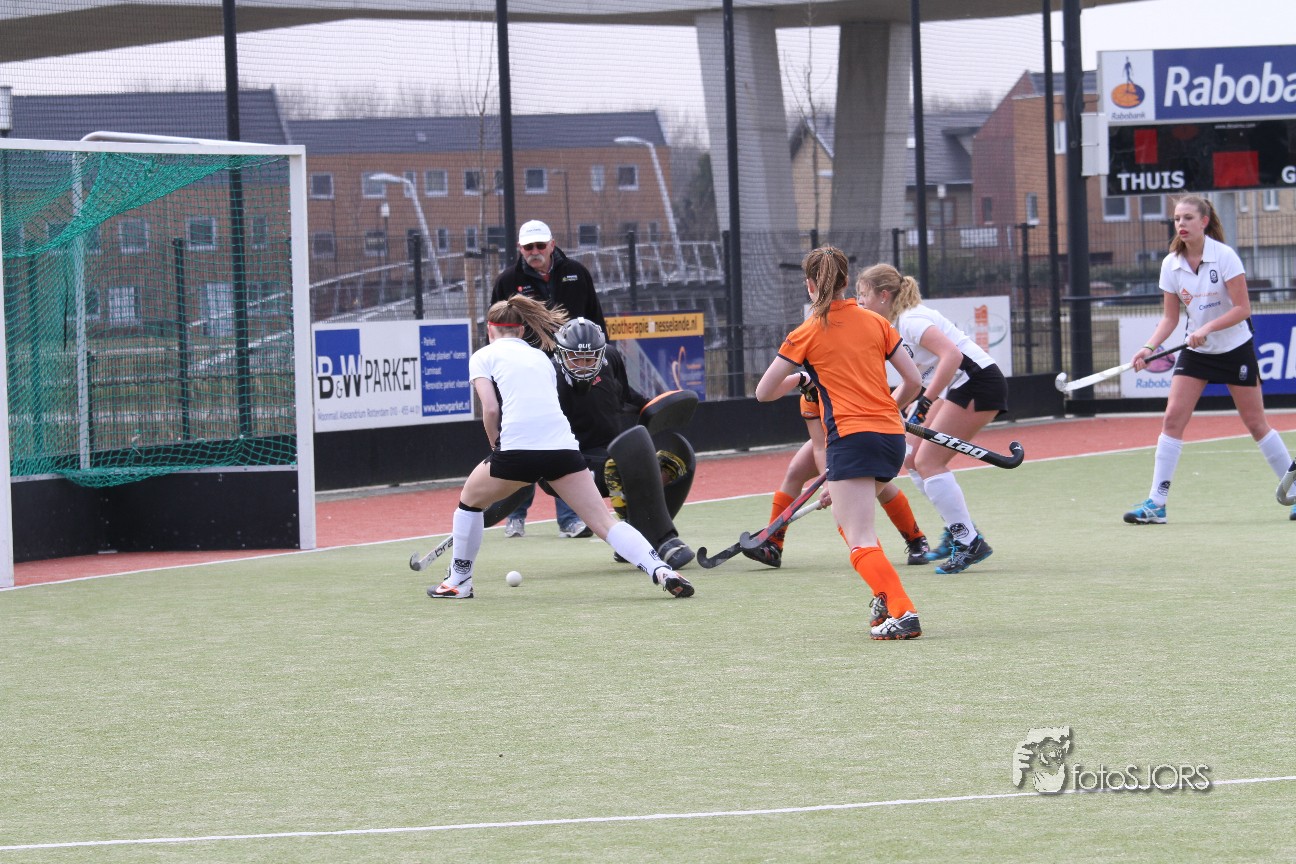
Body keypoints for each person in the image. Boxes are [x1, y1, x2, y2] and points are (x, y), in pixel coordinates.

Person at [427, 295, 693, 600]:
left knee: (469, 502)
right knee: (604, 522)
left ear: (490, 329)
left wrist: (495, 446)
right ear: (521, 329)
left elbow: (490, 409)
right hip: (564, 450)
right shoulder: (541, 358)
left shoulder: (482, 356)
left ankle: (458, 581)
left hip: (516, 451)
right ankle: (660, 569)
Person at [754, 245, 924, 640]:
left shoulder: (806, 332)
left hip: (851, 438)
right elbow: (914, 382)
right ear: (847, 281)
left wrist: (803, 378)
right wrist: (891, 410)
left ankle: (902, 611)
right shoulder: (877, 322)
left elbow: (764, 392)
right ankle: (885, 598)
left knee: (858, 538)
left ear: (810, 286)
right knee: (849, 524)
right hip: (891, 438)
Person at [1120, 194, 1296, 524]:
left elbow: (1243, 308)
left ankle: (1295, 490)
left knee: (1256, 424)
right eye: (1177, 219)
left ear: (1203, 221)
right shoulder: (1170, 264)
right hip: (1197, 353)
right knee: (1172, 418)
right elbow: (1170, 319)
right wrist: (1149, 348)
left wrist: (1208, 327)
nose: (1181, 224)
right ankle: (1157, 504)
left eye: (1188, 218)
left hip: (1235, 348)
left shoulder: (1224, 256)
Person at [857, 262, 1009, 575]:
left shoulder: (912, 320)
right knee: (912, 457)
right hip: (959, 385)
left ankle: (969, 542)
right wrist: (886, 410)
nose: (860, 302)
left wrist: (925, 402)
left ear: (883, 295)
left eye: (864, 295)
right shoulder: (898, 325)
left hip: (978, 382)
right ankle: (958, 528)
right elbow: (915, 378)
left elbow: (952, 356)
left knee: (928, 461)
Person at [490, 219, 607, 540]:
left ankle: (570, 519)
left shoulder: (577, 273)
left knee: (564, 441)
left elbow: (596, 321)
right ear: (519, 249)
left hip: (571, 372)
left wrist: (598, 364)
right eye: (528, 247)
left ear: (552, 245)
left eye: (540, 245)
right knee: (522, 440)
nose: (535, 251)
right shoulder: (507, 282)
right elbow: (495, 327)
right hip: (524, 375)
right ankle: (515, 516)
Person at [551, 317, 697, 569]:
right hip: (571, 463)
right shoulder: (548, 377)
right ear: (562, 355)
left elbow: (626, 395)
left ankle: (634, 536)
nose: (583, 366)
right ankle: (662, 542)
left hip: (612, 452)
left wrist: (656, 407)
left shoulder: (611, 358)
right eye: (576, 359)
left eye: (590, 359)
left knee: (678, 459)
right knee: (619, 466)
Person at [743, 378, 931, 568]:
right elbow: (819, 447)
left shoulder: (847, 386)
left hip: (866, 435)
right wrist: (829, 484)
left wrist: (836, 481)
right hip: (833, 440)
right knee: (795, 472)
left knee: (871, 481)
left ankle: (915, 539)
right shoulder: (809, 398)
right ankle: (774, 542)